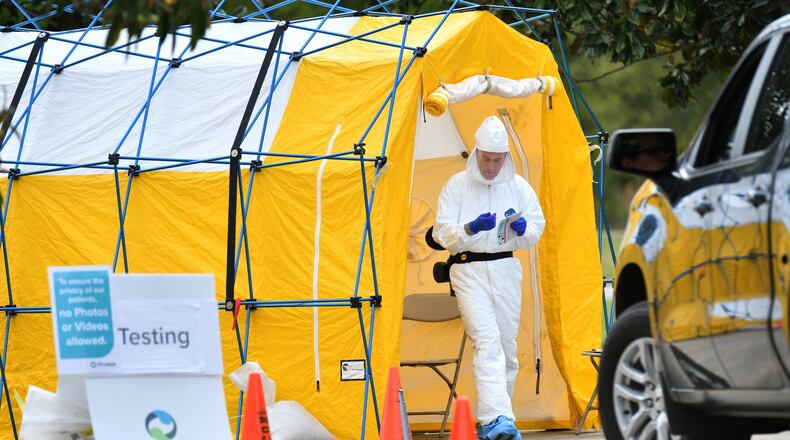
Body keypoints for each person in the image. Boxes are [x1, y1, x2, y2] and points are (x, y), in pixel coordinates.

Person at [433, 115, 545, 440]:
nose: (491, 166)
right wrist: (470, 228)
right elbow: (442, 233)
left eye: (497, 160)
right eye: (486, 159)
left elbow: (536, 228)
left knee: (507, 349)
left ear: (505, 158)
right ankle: (497, 419)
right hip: (467, 270)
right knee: (488, 342)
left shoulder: (518, 187)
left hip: (506, 270)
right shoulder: (456, 186)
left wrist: (523, 233)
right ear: (477, 153)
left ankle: (496, 425)